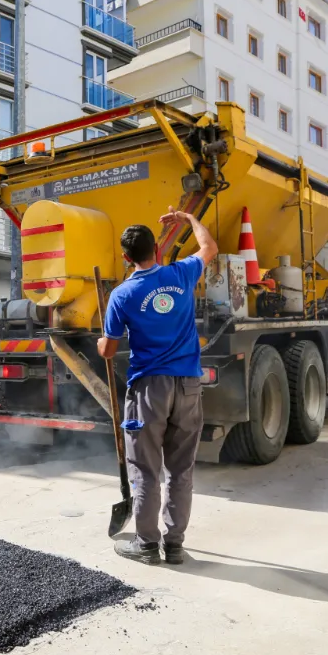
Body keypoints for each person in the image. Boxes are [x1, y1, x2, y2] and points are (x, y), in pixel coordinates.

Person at [97, 207, 218, 565]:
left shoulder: (122, 295)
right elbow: (209, 247)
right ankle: (175, 545)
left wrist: (100, 343)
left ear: (125, 257)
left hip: (150, 389)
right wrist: (189, 220)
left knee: (147, 469)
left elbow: (109, 348)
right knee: (181, 469)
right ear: (158, 250)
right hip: (189, 386)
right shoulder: (181, 273)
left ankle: (147, 545)